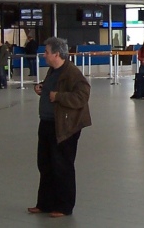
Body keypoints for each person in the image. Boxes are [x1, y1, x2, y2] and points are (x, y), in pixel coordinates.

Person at [29, 37, 91, 218]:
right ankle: (45, 203)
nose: (44, 55)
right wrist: (42, 89)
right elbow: (52, 89)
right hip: (47, 123)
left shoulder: (72, 73)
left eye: (47, 52)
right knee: (45, 164)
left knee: (62, 165)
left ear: (56, 54)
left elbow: (81, 97)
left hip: (64, 127)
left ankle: (64, 206)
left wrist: (58, 97)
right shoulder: (53, 71)